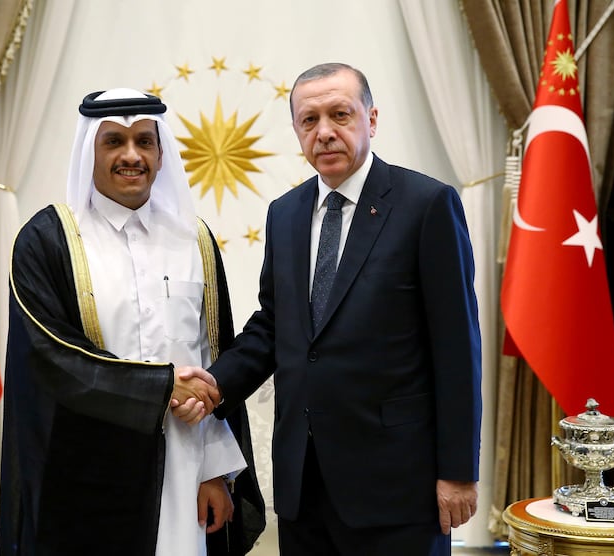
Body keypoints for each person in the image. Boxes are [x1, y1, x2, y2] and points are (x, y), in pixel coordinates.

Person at [176, 62, 482, 555]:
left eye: (340, 114)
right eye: (309, 120)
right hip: (305, 482)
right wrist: (213, 385)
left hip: (397, 485)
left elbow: (457, 349)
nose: (324, 132)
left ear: (371, 118)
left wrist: (459, 473)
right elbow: (274, 325)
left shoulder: (426, 205)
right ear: (296, 130)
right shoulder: (286, 213)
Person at [0, 88, 264, 556]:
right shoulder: (49, 240)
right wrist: (163, 387)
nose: (131, 155)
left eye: (145, 141)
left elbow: (211, 355)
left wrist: (216, 471)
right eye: (114, 142)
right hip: (87, 476)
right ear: (89, 152)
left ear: (162, 154)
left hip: (185, 472)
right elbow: (54, 361)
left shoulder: (193, 239)